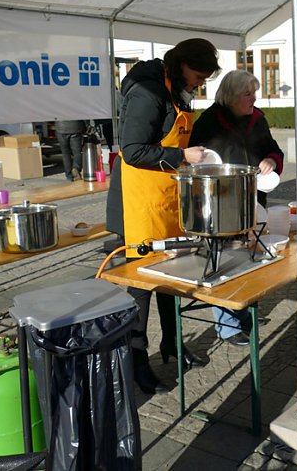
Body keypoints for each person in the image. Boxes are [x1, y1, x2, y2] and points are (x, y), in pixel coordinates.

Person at [106, 38, 219, 394]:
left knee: (170, 277)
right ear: (181, 64)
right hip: (139, 204)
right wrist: (183, 155)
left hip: (167, 200)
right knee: (140, 287)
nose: (198, 84)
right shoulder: (147, 91)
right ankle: (136, 362)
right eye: (197, 76)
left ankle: (172, 344)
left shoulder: (176, 90)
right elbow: (133, 150)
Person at [189, 69, 285, 346]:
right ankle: (227, 325)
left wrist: (270, 160)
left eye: (254, 93)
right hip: (221, 201)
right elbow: (198, 162)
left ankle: (241, 311)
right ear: (230, 96)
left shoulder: (257, 119)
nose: (253, 98)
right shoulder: (209, 121)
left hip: (255, 198)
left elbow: (274, 149)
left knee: (249, 258)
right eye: (247, 94)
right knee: (223, 261)